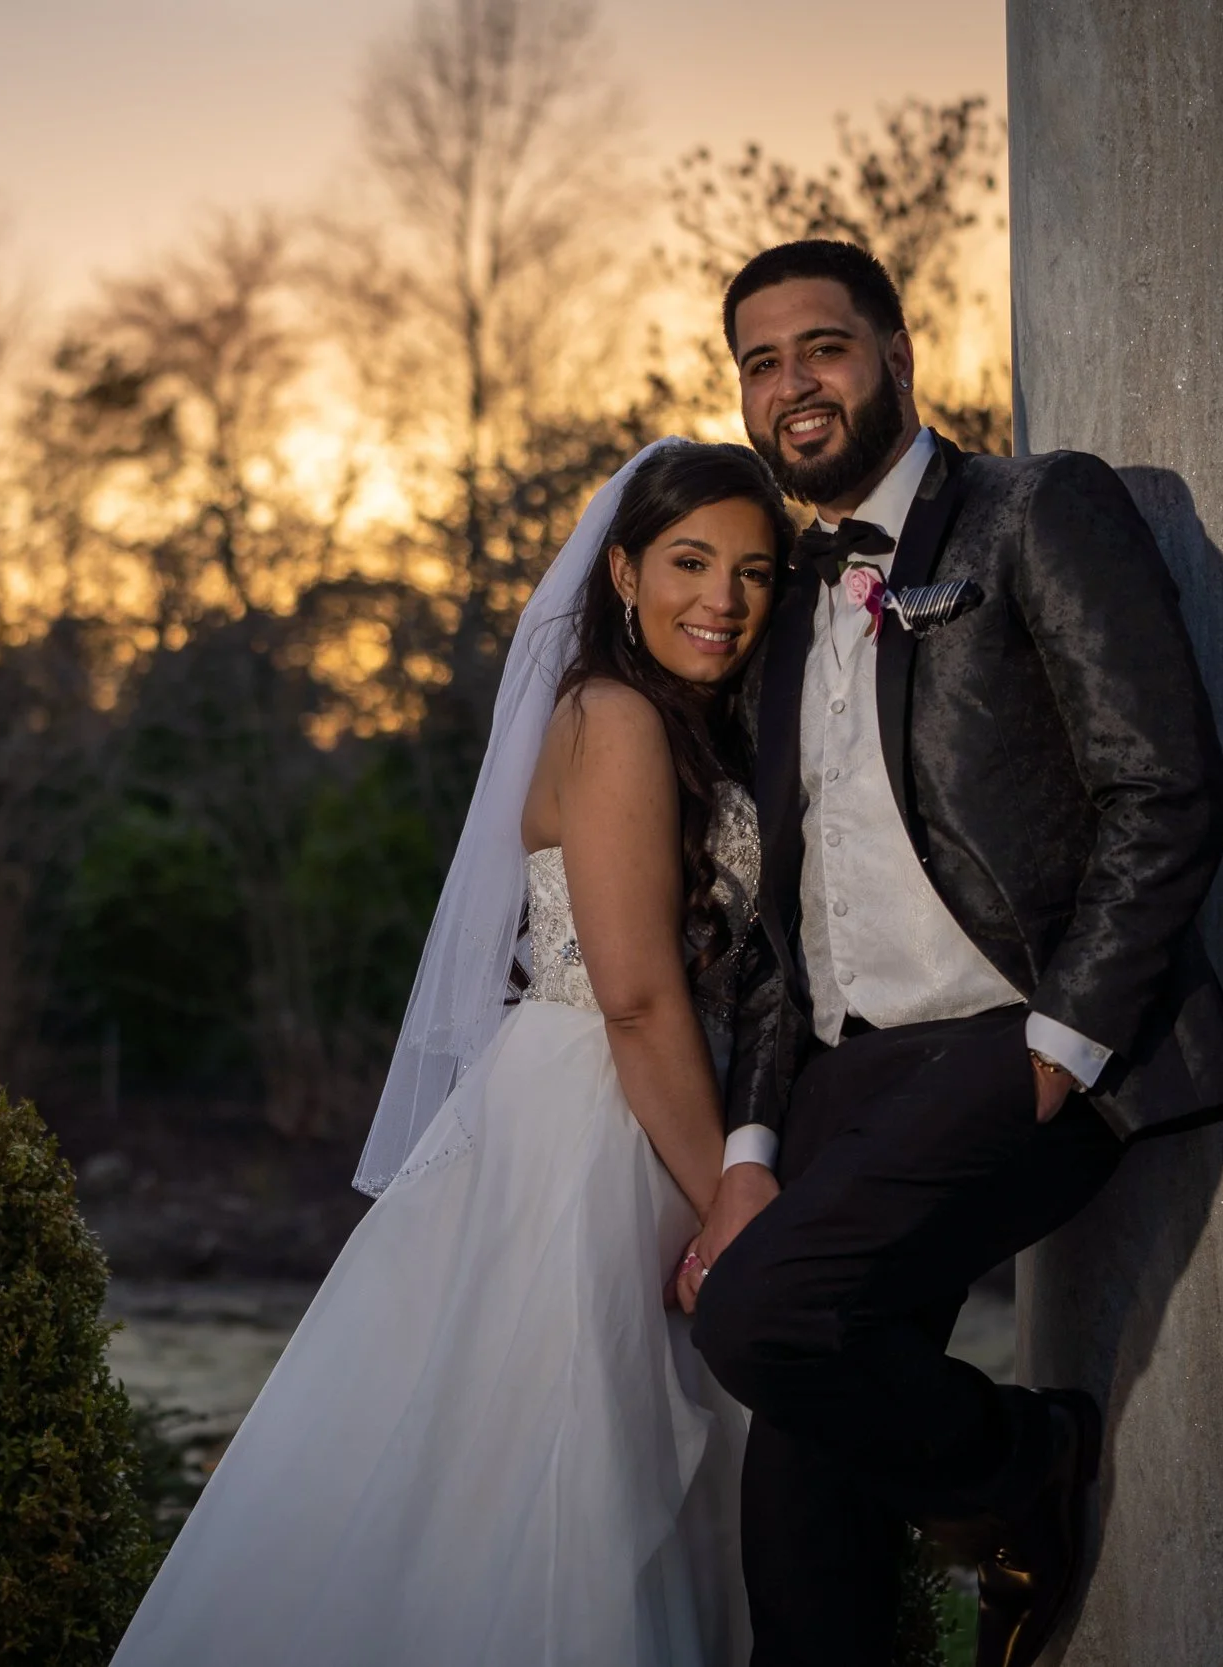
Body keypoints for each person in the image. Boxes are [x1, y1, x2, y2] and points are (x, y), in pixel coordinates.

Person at [681, 239, 1223, 1667]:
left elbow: (1163, 787)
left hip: (1013, 1047)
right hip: (839, 1076)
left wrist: (1064, 1040)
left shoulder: (1033, 511)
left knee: (756, 1318)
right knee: (797, 1541)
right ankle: (985, 1502)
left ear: (895, 354)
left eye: (821, 347)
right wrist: (749, 1142)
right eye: (760, 363)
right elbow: (779, 917)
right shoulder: (781, 594)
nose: (791, 385)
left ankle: (1025, 1459)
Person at [108, 441, 788, 1667]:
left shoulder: (695, 729)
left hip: (645, 1106)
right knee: (560, 1476)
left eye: (752, 571)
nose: (722, 599)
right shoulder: (615, 717)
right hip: (602, 1123)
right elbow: (637, 999)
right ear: (623, 572)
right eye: (689, 562)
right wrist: (725, 1208)